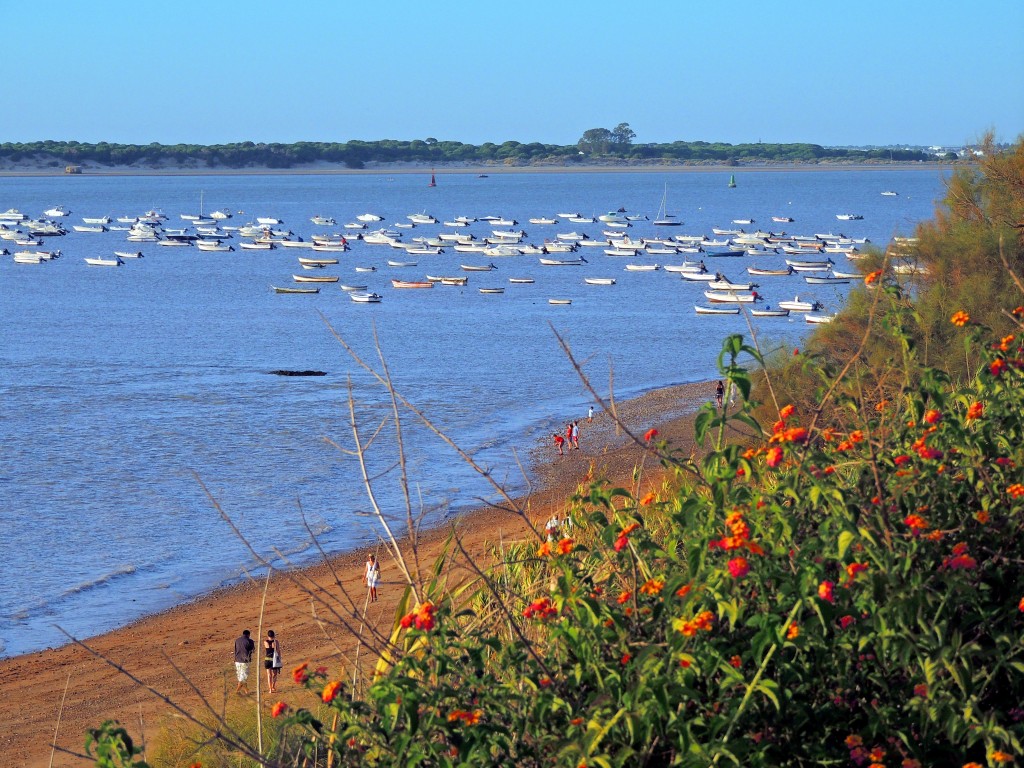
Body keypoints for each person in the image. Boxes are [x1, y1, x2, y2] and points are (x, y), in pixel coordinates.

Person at [233, 629, 255, 695]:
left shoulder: (237, 640)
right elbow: (252, 650)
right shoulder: (250, 641)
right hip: (245, 661)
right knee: (243, 677)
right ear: (248, 635)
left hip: (237, 660)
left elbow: (235, 650)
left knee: (241, 676)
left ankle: (246, 691)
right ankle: (237, 691)